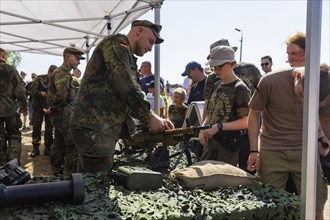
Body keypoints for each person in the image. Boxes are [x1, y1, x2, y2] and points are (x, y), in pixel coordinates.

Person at [69, 20, 174, 173]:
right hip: (94, 126)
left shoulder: (125, 53)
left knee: (88, 182)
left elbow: (125, 97)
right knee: (96, 182)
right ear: (139, 32)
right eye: (151, 41)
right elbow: (126, 86)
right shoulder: (116, 45)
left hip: (98, 126)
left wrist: (150, 120)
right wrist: (149, 117)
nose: (151, 49)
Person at [246, 66, 328, 219]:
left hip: (306, 152)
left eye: (310, 99)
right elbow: (253, 114)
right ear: (297, 77)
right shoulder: (269, 81)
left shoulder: (324, 83)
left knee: (316, 205)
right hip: (272, 151)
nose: (303, 101)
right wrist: (253, 150)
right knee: (268, 207)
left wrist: (324, 140)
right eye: (302, 94)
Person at [203, 39, 261, 170]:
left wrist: (219, 126)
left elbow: (247, 121)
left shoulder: (240, 88)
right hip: (213, 142)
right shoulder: (216, 84)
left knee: (224, 181)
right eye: (213, 67)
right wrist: (203, 129)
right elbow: (210, 111)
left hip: (229, 145)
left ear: (232, 64)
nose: (216, 70)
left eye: (219, 66)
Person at [44, 47, 85, 175]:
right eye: (76, 58)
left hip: (62, 115)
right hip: (64, 115)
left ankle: (56, 170)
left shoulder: (65, 72)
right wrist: (53, 108)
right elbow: (62, 95)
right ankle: (70, 175)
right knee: (72, 146)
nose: (78, 62)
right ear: (67, 57)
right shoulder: (62, 73)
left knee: (59, 143)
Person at [0, 48, 27, 165]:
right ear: (2, 55)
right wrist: (23, 105)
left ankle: (1, 166)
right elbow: (20, 91)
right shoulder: (10, 69)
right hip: (9, 109)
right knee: (14, 135)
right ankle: (13, 165)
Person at [29, 65, 57, 157]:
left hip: (48, 109)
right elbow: (31, 91)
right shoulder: (39, 79)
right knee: (36, 128)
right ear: (49, 72)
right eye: (52, 74)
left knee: (49, 129)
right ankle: (35, 149)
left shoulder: (56, 81)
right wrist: (40, 93)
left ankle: (48, 149)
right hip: (38, 108)